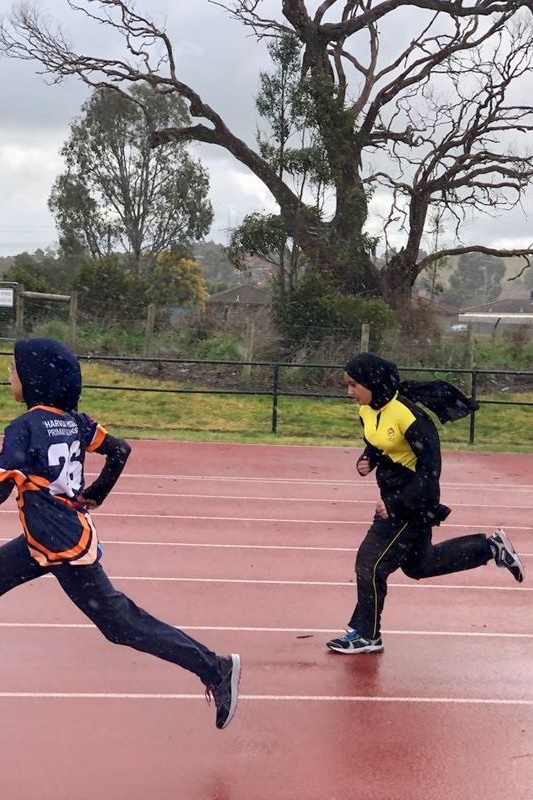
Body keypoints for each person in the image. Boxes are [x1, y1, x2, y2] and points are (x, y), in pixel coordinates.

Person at [0, 337, 240, 728]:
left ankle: (215, 667)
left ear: (32, 379)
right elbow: (120, 450)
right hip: (49, 537)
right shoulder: (76, 422)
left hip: (61, 545)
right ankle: (214, 667)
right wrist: (96, 494)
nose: (8, 375)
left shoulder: (23, 429)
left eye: (13, 370)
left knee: (120, 624)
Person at [326, 352, 524, 655]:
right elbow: (379, 442)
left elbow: (430, 471)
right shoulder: (367, 410)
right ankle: (489, 547)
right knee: (421, 565)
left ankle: (367, 635)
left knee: (370, 563)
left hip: (411, 500)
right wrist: (368, 459)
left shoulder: (410, 417)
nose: (349, 392)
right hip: (394, 494)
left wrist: (396, 505)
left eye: (353, 385)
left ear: (371, 382)